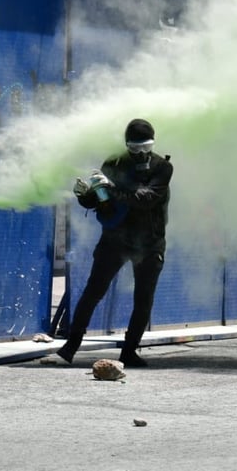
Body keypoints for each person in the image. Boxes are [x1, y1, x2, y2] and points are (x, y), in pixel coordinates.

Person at [57, 118, 173, 367]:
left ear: (153, 143)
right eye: (134, 148)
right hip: (115, 238)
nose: (140, 153)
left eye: (145, 147)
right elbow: (103, 201)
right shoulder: (114, 163)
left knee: (144, 300)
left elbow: (147, 199)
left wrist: (112, 189)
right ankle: (70, 346)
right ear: (126, 145)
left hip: (149, 243)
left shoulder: (162, 167)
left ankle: (129, 351)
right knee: (93, 291)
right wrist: (86, 196)